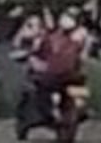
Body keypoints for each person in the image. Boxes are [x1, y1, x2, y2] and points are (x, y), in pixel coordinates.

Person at [17, 11, 86, 140]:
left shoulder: (54, 38)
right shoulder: (78, 37)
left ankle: (52, 116)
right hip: (71, 77)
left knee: (40, 91)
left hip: (56, 78)